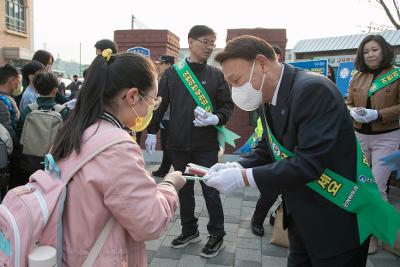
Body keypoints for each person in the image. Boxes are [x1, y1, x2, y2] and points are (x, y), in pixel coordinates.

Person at [207, 35, 370, 266]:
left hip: (334, 218)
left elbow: (308, 164)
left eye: (236, 80)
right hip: (300, 218)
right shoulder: (267, 95)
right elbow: (267, 147)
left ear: (262, 64)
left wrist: (242, 178)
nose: (235, 90)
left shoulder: (313, 90)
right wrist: (237, 165)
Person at [50, 50, 186, 266]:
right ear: (132, 96)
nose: (153, 106)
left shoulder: (76, 129)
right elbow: (150, 222)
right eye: (153, 100)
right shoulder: (117, 146)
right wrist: (169, 185)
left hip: (70, 250)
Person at [146, 25, 234, 258]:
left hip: (206, 145)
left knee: (211, 190)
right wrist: (152, 131)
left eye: (212, 43)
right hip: (177, 143)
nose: (209, 47)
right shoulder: (173, 73)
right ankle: (189, 230)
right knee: (183, 190)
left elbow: (227, 105)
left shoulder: (216, 75)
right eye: (204, 42)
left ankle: (217, 234)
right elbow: (160, 103)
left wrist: (216, 117)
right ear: (191, 41)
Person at [346, 34, 400, 254]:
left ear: (384, 50)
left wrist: (377, 114)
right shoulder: (357, 76)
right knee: (361, 184)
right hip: (360, 137)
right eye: (366, 51)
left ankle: (376, 235)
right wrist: (353, 112)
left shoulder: (396, 74)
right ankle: (377, 231)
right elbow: (348, 101)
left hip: (387, 137)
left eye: (375, 49)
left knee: (377, 187)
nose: (370, 54)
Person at [250, 45, 285, 236]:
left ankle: (279, 217)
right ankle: (257, 221)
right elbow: (264, 134)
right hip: (271, 150)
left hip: (291, 158)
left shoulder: (295, 87)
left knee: (289, 194)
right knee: (269, 193)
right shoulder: (261, 95)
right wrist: (239, 168)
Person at [16, 70, 70, 184]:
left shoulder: (28, 110)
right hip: (54, 163)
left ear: (36, 89)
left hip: (29, 163)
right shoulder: (63, 112)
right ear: (55, 90)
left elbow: (19, 132)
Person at [152, 55, 175, 178]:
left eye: (161, 64)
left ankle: (169, 170)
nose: (158, 66)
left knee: (169, 146)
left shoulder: (173, 78)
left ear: (168, 65)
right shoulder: (162, 78)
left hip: (171, 118)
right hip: (164, 118)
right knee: (165, 145)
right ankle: (164, 169)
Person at [0, 64, 22, 190]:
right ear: (12, 80)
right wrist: (19, 149)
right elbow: (7, 131)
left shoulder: (7, 99)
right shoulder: (3, 102)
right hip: (7, 157)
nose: (19, 85)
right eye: (18, 81)